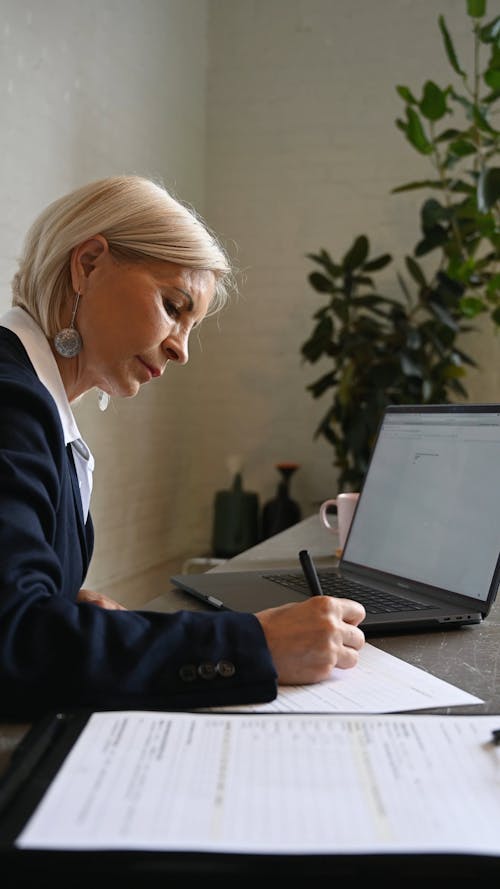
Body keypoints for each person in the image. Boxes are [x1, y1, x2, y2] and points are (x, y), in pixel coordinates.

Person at [0, 175, 366, 719]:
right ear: (89, 264)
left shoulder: (33, 402)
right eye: (174, 306)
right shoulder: (11, 403)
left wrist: (63, 605)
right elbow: (16, 645)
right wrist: (253, 645)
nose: (181, 349)